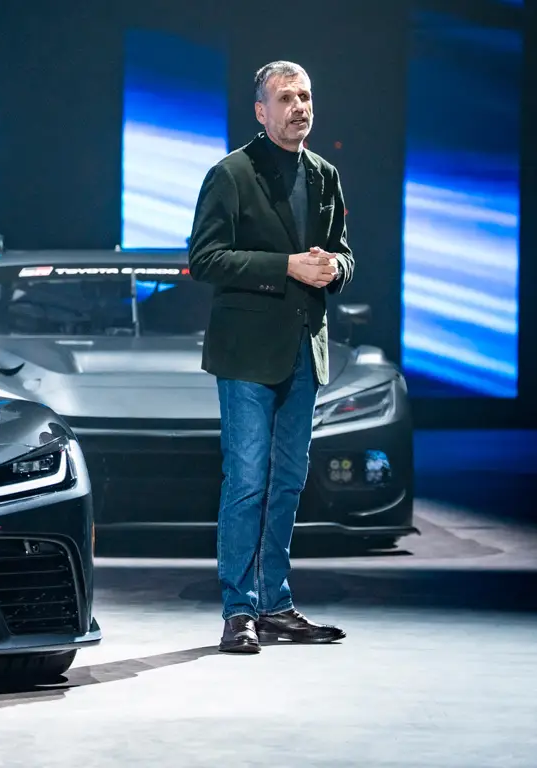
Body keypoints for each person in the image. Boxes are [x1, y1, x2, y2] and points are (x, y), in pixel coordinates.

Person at [186, 61, 354, 653]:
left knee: (287, 483)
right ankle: (239, 611)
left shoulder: (325, 174)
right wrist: (286, 267)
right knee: (247, 483)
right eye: (286, 98)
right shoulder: (231, 173)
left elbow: (343, 253)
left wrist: (335, 268)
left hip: (304, 350)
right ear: (262, 111)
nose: (299, 106)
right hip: (247, 355)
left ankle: (276, 605)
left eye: (305, 95)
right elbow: (205, 259)